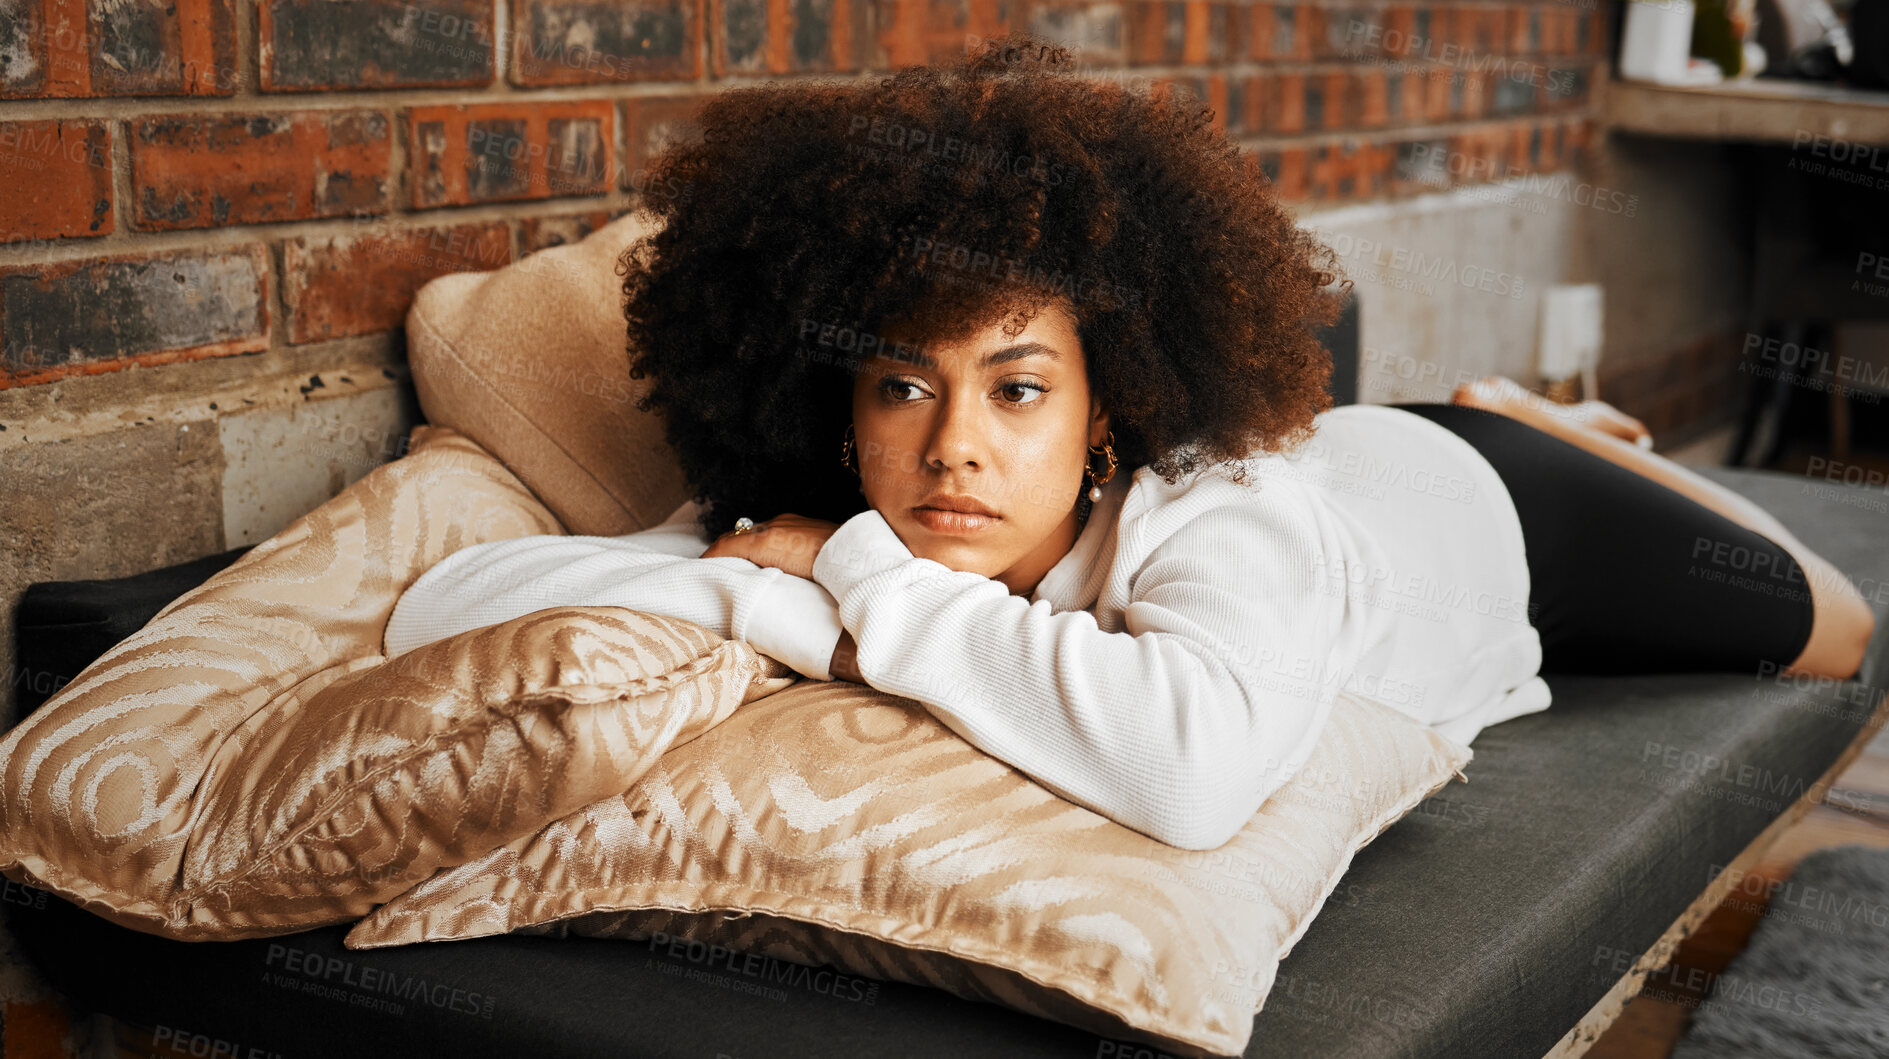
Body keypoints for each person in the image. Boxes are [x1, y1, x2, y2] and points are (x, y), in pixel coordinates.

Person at [383, 33, 1874, 851]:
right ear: (839, 399)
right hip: (1352, 473)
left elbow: (1190, 771)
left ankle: (1528, 413)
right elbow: (447, 614)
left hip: (1491, 516)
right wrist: (762, 586)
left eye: (1018, 389)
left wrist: (853, 609)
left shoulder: (1224, 520)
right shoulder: (837, 512)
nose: (952, 448)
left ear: (1109, 409)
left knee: (1838, 631)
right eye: (902, 388)